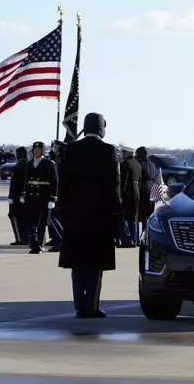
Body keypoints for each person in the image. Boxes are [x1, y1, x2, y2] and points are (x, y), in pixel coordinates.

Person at [57, 113, 121, 319]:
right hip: (99, 217)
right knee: (94, 265)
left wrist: (62, 211)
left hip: (75, 216)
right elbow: (114, 187)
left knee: (77, 265)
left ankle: (79, 307)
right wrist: (116, 216)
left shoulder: (71, 150)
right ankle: (90, 306)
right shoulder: (109, 151)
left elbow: (63, 184)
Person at [22, 142, 58, 254]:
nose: (36, 151)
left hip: (43, 196)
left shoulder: (48, 163)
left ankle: (40, 245)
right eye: (35, 149)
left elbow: (54, 181)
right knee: (32, 220)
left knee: (42, 222)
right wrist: (23, 194)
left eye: (39, 149)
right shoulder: (29, 163)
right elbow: (25, 180)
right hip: (31, 196)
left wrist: (53, 197)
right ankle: (33, 244)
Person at [119, 148, 142, 247]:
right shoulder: (137, 164)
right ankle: (135, 239)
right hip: (136, 191)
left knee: (124, 216)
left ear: (128, 153)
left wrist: (120, 195)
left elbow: (124, 181)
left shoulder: (125, 164)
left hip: (127, 192)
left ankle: (127, 240)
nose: (122, 154)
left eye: (123, 152)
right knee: (134, 217)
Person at [7, 146, 29, 246]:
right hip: (21, 196)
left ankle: (20, 239)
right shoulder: (26, 164)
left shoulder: (21, 166)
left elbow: (18, 183)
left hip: (18, 196)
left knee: (14, 216)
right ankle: (24, 238)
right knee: (23, 217)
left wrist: (12, 196)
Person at [136, 146, 159, 235]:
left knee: (140, 216)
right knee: (148, 215)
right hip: (152, 190)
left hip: (142, 190)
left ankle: (140, 235)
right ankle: (147, 233)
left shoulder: (139, 164)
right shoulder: (153, 165)